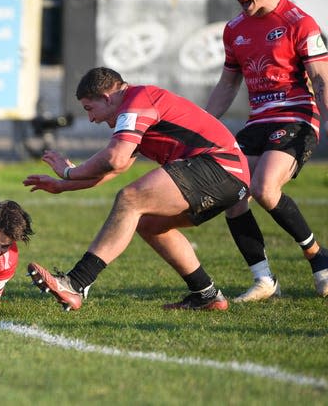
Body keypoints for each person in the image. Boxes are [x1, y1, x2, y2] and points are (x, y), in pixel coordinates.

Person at [23, 67, 250, 311]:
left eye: (90, 109)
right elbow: (114, 169)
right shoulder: (138, 107)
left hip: (220, 167)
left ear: (107, 97)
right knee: (150, 223)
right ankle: (206, 295)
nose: (91, 119)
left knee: (131, 198)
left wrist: (68, 172)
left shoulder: (137, 101)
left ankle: (75, 283)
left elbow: (115, 159)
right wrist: (62, 186)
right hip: (228, 177)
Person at [205, 0, 328, 301]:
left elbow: (321, 80)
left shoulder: (299, 22)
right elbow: (227, 84)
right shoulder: (234, 30)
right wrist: (200, 126)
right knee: (230, 194)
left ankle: (318, 258)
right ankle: (264, 280)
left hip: (296, 116)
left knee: (264, 188)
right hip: (257, 121)